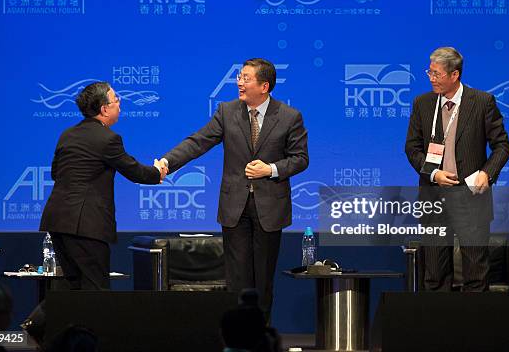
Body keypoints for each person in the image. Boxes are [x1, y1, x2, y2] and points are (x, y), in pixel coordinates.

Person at [160, 58, 309, 318]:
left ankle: (260, 338)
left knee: (262, 281)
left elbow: (300, 159)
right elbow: (198, 142)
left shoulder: (288, 116)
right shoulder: (227, 112)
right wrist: (167, 162)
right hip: (235, 208)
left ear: (264, 86)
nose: (239, 82)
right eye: (239, 77)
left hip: (270, 208)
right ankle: (240, 337)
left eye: (246, 78)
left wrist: (270, 169)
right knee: (238, 280)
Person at [39, 81, 166, 290]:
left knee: (73, 288)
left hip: (57, 222)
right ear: (104, 109)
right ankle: (35, 324)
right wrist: (157, 173)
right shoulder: (108, 139)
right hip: (85, 226)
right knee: (95, 291)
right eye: (116, 100)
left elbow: (56, 173)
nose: (120, 104)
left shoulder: (67, 134)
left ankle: (35, 324)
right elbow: (133, 170)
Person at [405, 47, 509, 291]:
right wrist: (433, 173)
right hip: (434, 195)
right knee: (434, 274)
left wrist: (487, 173)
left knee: (475, 273)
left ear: (454, 75)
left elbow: (503, 145)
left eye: (436, 74)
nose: (431, 78)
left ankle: (474, 328)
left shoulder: (482, 102)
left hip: (470, 196)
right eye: (429, 72)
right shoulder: (423, 103)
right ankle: (437, 328)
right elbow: (412, 147)